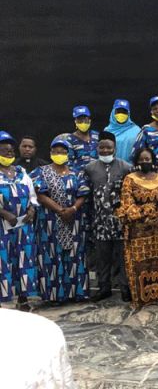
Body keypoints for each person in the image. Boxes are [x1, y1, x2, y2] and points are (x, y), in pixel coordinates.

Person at [31, 137, 90, 304]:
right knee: (52, 256)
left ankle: (76, 293)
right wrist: (60, 210)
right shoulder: (41, 172)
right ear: (50, 153)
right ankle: (54, 295)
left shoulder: (77, 172)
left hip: (74, 221)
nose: (59, 154)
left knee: (74, 256)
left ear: (68, 153)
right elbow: (39, 194)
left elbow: (83, 193)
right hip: (50, 221)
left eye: (63, 151)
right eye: (56, 151)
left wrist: (72, 209)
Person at [115, 148, 158, 309]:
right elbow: (127, 202)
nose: (145, 162)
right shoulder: (130, 179)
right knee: (139, 263)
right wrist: (144, 215)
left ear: (153, 160)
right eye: (142, 159)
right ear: (137, 162)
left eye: (148, 159)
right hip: (138, 230)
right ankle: (142, 298)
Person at [84, 131, 132, 302]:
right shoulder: (89, 168)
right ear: (97, 148)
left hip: (119, 221)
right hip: (99, 221)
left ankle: (126, 288)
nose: (105, 150)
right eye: (102, 147)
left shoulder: (126, 167)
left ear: (115, 148)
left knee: (122, 257)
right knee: (102, 258)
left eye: (108, 147)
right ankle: (104, 288)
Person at [0, 131, 38, 310]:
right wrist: (4, 213)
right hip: (3, 227)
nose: (9, 153)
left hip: (23, 226)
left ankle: (23, 298)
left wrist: (31, 208)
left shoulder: (21, 172)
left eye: (10, 151)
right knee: (4, 260)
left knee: (24, 259)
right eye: (4, 151)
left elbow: (32, 195)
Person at [67, 105, 99, 173]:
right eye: (80, 119)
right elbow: (69, 163)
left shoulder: (97, 135)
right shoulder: (70, 139)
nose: (83, 122)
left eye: (85, 118)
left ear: (89, 120)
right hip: (79, 178)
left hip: (97, 176)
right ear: (75, 121)